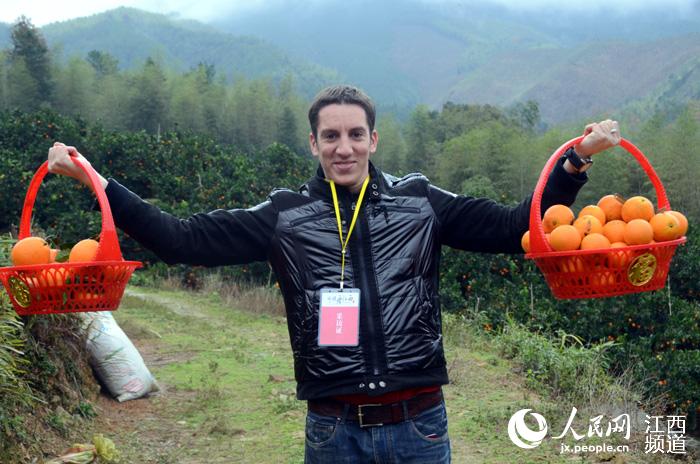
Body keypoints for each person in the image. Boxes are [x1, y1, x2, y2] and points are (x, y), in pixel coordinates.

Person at [48, 85, 620, 463]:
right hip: (333, 428)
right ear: (314, 143)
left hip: (418, 422)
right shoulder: (284, 216)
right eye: (330, 136)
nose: (343, 148)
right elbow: (182, 239)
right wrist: (98, 182)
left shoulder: (420, 202)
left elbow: (514, 227)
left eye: (354, 135)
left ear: (373, 139)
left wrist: (574, 162)